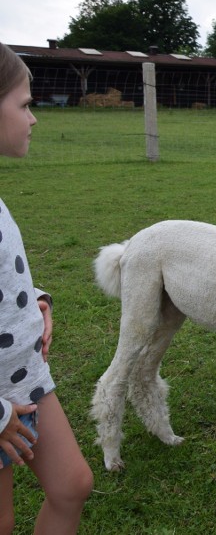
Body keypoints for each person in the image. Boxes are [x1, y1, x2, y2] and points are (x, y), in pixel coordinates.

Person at [0, 42, 93, 534]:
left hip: (26, 377)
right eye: (24, 104)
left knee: (71, 485)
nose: (34, 118)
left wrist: (34, 302)